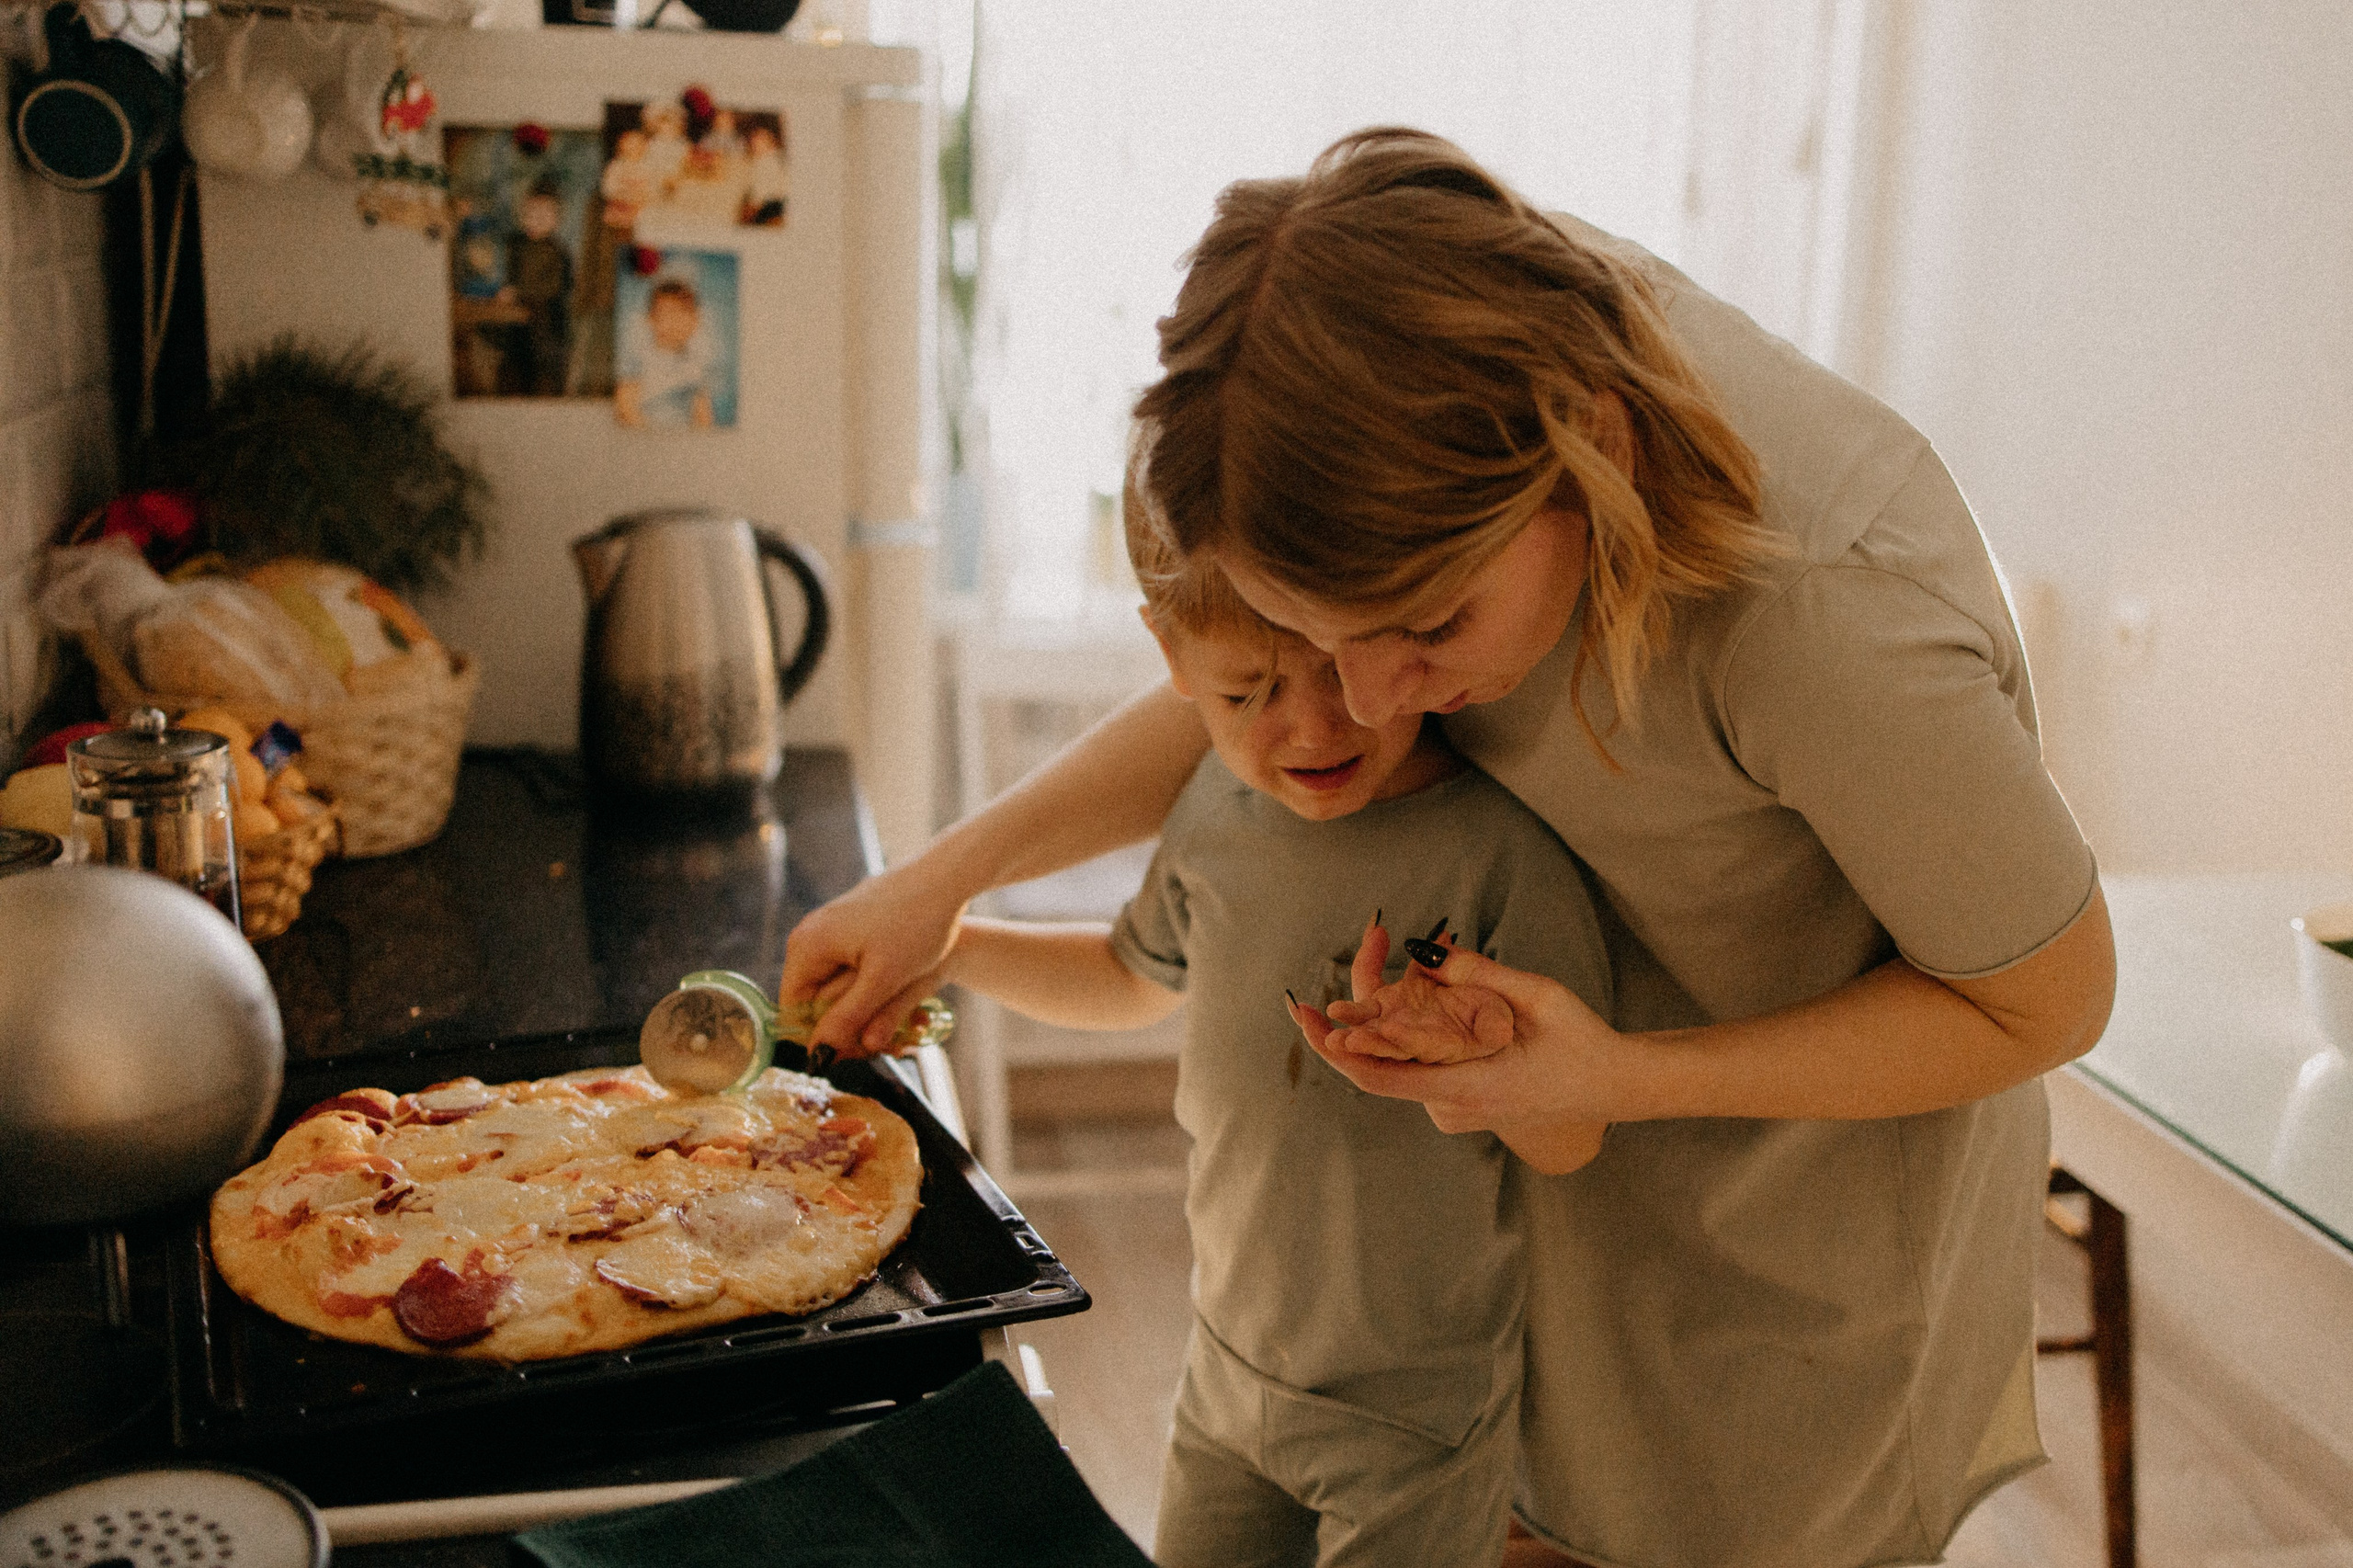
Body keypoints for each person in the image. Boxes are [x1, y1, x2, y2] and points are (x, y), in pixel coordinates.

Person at [783, 129, 2116, 1568]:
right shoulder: (1412, 366)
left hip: (1794, 1258)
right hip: (1534, 1200)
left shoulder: (1827, 614)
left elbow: (2045, 999)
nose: (1356, 708)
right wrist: (947, 878)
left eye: (1423, 634)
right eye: (1321, 637)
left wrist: (1623, 1075)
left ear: (1592, 457)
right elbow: (1253, 698)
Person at [945, 510, 1609, 1567]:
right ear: (1169, 655)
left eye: (1342, 677)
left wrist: (1482, 1069)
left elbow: (1572, 1139)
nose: (1310, 730)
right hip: (1226, 1378)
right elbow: (1129, 975)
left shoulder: (1494, 851)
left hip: (1415, 1420)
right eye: (1249, 690)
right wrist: (954, 944)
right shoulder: (1213, 804)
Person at [615, 270, 714, 429]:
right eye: (667, 314)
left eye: (684, 313)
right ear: (651, 319)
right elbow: (626, 407)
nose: (676, 321)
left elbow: (703, 414)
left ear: (695, 320)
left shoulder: (695, 365)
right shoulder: (640, 360)